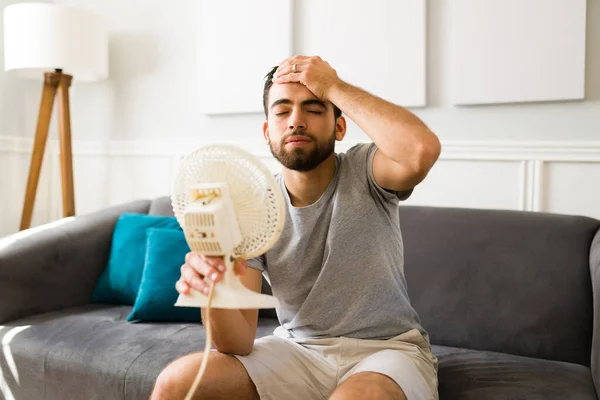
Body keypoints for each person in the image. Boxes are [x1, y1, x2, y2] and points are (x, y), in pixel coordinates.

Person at [151, 55, 441, 400]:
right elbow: (237, 342)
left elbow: (420, 150)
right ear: (266, 130)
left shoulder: (367, 170)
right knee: (177, 383)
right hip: (297, 352)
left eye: (315, 109)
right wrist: (212, 288)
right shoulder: (252, 207)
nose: (296, 121)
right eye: (282, 110)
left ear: (339, 126)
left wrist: (333, 86)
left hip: (386, 352)